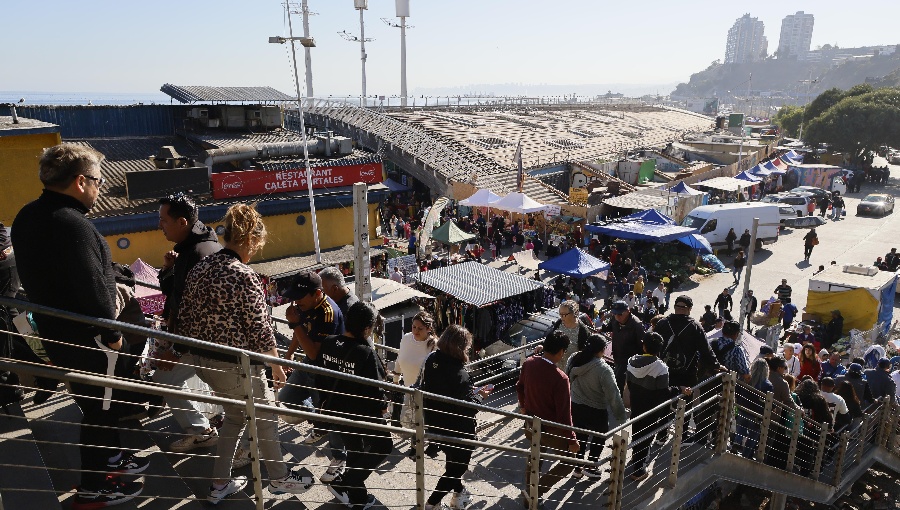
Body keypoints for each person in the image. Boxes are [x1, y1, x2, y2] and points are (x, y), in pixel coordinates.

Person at [12, 144, 147, 507]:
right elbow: (98, 298)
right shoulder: (73, 224)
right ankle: (94, 488)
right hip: (91, 340)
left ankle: (112, 460)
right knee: (102, 410)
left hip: (56, 333)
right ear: (80, 181)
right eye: (98, 181)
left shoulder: (27, 216)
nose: (100, 188)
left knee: (95, 404)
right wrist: (114, 336)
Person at [178, 204, 314, 503]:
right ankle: (279, 478)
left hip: (204, 362)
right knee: (266, 417)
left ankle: (219, 484)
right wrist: (277, 367)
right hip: (236, 368)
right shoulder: (243, 275)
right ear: (251, 239)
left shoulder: (201, 268)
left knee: (235, 418)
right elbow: (260, 330)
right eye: (257, 244)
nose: (255, 251)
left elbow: (185, 317)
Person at [154, 192, 223, 453]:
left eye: (164, 220)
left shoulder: (198, 254)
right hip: (196, 340)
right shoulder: (194, 248)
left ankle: (204, 432)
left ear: (182, 222)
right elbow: (177, 294)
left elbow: (196, 312)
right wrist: (169, 269)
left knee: (165, 378)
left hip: (200, 341)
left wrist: (176, 350)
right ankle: (205, 427)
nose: (160, 225)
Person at [316, 302, 393, 509]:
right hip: (363, 414)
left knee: (355, 451)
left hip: (337, 410)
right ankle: (345, 483)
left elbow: (319, 378)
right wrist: (383, 409)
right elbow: (376, 390)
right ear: (367, 328)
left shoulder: (328, 342)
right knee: (384, 446)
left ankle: (358, 498)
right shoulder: (366, 353)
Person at [279, 270, 346, 472]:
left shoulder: (327, 313)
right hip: (309, 364)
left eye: (299, 297)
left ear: (317, 293)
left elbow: (314, 352)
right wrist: (289, 354)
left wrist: (294, 323)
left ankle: (340, 459)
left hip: (327, 371)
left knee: (329, 414)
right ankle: (320, 423)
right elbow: (301, 332)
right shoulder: (304, 305)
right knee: (286, 397)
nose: (296, 302)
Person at [420, 325, 491, 510]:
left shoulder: (432, 359)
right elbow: (469, 408)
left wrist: (468, 393)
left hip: (435, 423)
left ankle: (458, 494)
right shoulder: (460, 374)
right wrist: (480, 395)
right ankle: (431, 504)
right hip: (458, 430)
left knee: (452, 463)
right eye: (467, 346)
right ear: (461, 347)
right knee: (457, 469)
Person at [516, 331, 579, 507]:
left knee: (535, 456)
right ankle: (534, 493)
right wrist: (572, 439)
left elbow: (519, 387)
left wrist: (523, 406)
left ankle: (529, 495)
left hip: (530, 423)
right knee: (569, 462)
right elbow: (564, 415)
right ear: (561, 352)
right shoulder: (560, 378)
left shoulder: (529, 363)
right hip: (550, 430)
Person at [655, 295, 723, 445]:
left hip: (664, 370)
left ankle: (661, 435)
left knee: (665, 401)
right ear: (690, 309)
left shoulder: (663, 323)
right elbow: (706, 350)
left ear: (675, 307)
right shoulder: (694, 326)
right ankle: (682, 436)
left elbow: (653, 343)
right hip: (687, 372)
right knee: (685, 404)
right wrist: (716, 365)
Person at [626, 332, 690, 481]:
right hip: (652, 408)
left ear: (644, 346)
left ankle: (636, 457)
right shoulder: (661, 368)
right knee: (647, 436)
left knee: (636, 431)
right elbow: (664, 393)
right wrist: (679, 389)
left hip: (636, 403)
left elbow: (628, 383)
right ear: (660, 349)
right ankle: (639, 470)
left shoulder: (632, 361)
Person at [566, 334, 626, 479]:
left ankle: (578, 468)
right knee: (599, 437)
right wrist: (621, 417)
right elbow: (613, 395)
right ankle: (591, 466)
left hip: (576, 405)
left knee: (580, 437)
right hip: (596, 409)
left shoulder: (574, 358)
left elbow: (568, 377)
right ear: (603, 349)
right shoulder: (603, 369)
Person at [603, 301, 645, 392]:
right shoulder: (615, 319)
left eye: (620, 314)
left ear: (628, 311)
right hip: (617, 356)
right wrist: (602, 328)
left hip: (629, 361)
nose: (617, 316)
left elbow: (642, 346)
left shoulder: (636, 325)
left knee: (619, 383)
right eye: (615, 314)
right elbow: (610, 326)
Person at [737, 358, 773, 458]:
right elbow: (770, 403)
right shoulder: (767, 385)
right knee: (753, 435)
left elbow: (737, 391)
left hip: (742, 408)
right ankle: (746, 455)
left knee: (741, 428)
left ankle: (737, 442)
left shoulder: (745, 379)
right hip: (757, 414)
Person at [549, 300, 591, 371]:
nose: (561, 317)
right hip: (556, 367)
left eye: (564, 314)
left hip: (571, 370)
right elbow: (551, 338)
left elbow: (585, 354)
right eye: (560, 314)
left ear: (574, 313)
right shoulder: (559, 323)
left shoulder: (583, 331)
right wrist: (542, 346)